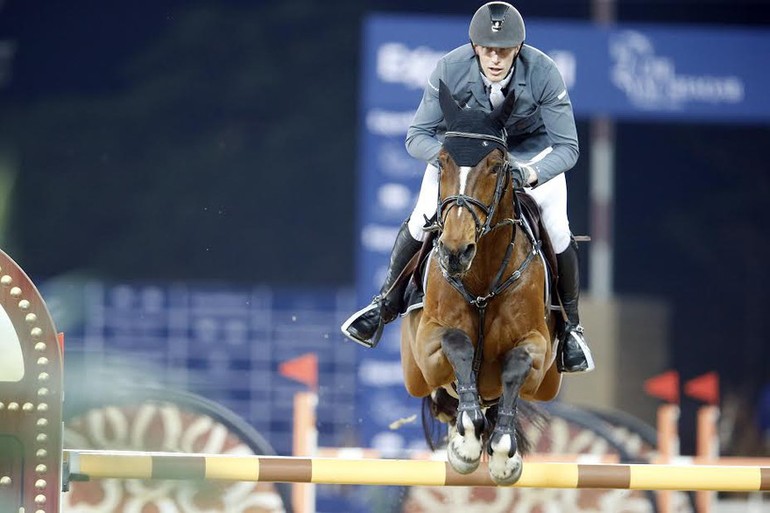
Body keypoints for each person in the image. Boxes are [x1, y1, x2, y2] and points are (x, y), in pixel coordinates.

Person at [341, 1, 594, 373]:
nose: (495, 59)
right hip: (462, 158)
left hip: (528, 155)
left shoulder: (543, 72)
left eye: (504, 51)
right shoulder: (450, 69)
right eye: (488, 50)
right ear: (475, 47)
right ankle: (384, 304)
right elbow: (416, 136)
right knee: (420, 219)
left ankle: (571, 328)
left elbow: (567, 146)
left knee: (557, 230)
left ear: (517, 50)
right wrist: (452, 159)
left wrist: (531, 174)